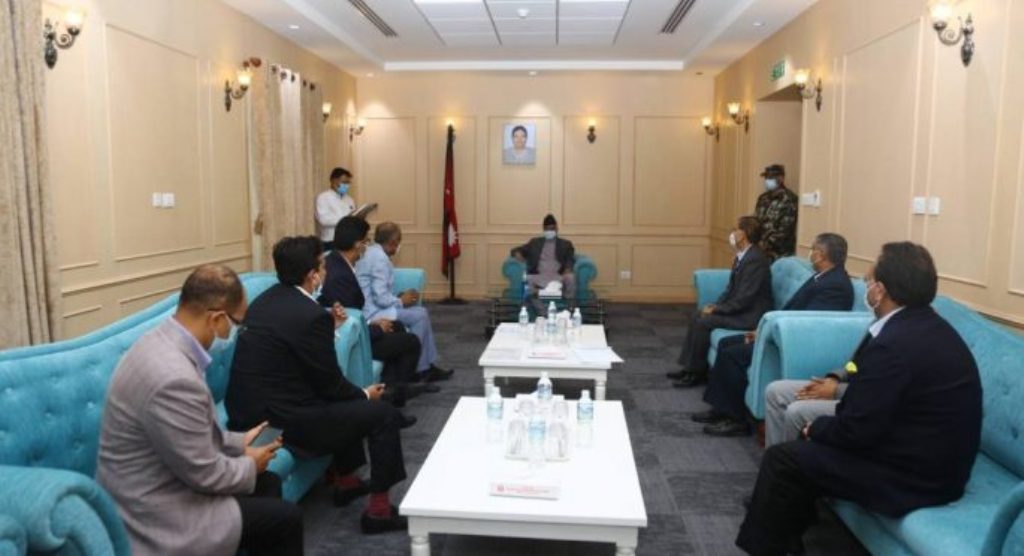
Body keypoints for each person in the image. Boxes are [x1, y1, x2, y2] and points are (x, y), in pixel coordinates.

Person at [736, 242, 982, 556]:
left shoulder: (894, 345)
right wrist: (836, 384)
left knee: (783, 459)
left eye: (868, 280)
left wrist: (815, 428)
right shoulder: (923, 325)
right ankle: (788, 529)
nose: (865, 286)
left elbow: (857, 430)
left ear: (881, 291)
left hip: (915, 478)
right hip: (927, 457)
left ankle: (768, 545)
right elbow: (863, 382)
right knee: (801, 446)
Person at [97, 264, 302, 556]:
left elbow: (188, 435)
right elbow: (205, 474)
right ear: (216, 319)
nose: (236, 332)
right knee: (287, 519)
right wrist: (249, 463)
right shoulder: (173, 378)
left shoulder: (161, 340)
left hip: (163, 479)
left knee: (267, 483)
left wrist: (238, 442)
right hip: (155, 513)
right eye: (237, 324)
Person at [226, 236, 412, 534]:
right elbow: (330, 385)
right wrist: (365, 394)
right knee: (382, 413)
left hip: (250, 412)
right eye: (323, 267)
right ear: (312, 275)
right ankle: (378, 513)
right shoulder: (310, 315)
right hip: (281, 420)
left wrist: (327, 328)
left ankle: (346, 482)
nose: (325, 272)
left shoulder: (265, 301)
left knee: (346, 403)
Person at [695, 233, 854, 436]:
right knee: (727, 343)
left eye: (813, 249)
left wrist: (765, 334)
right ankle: (721, 409)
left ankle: (736, 420)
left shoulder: (835, 285)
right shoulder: (823, 276)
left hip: (790, 343)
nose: (811, 254)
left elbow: (807, 323)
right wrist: (761, 331)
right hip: (781, 332)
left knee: (732, 354)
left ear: (821, 254)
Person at [321, 217, 437, 403]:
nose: (367, 247)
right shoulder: (340, 276)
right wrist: (374, 326)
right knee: (411, 342)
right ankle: (396, 395)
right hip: (357, 338)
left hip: (362, 323)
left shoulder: (337, 261)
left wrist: (372, 322)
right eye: (366, 241)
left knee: (397, 327)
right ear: (358, 244)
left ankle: (390, 389)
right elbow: (347, 317)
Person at [670, 216, 772, 388]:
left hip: (749, 316)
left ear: (743, 234)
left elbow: (745, 298)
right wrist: (715, 306)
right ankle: (689, 367)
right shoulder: (743, 256)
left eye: (735, 229)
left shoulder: (755, 260)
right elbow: (731, 289)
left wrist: (718, 310)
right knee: (698, 315)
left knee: (704, 322)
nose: (732, 233)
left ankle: (697, 373)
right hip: (740, 310)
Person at [356, 221, 453, 382]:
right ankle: (420, 369)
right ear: (393, 242)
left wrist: (398, 297)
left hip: (374, 307)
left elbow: (379, 291)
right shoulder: (380, 259)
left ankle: (426, 366)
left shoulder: (373, 252)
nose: (398, 246)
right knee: (419, 316)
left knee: (420, 312)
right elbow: (380, 298)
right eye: (398, 242)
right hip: (373, 313)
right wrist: (401, 301)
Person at [511, 214, 577, 303]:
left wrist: (568, 268)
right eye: (547, 229)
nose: (550, 231)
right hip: (539, 275)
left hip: (558, 275)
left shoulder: (565, 244)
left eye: (552, 229)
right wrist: (517, 253)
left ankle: (569, 307)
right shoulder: (535, 242)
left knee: (570, 277)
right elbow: (517, 250)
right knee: (527, 282)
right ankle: (542, 310)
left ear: (556, 229)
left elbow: (570, 258)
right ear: (544, 229)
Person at [754, 164, 799, 261]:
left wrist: (765, 245)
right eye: (766, 177)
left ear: (781, 179)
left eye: (771, 178)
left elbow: (786, 230)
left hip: (780, 253)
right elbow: (755, 222)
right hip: (760, 251)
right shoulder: (763, 198)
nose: (767, 180)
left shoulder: (789, 199)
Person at [316, 167, 356, 251]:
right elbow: (324, 220)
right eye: (344, 182)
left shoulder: (349, 199)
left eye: (348, 183)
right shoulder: (323, 197)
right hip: (331, 241)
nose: (346, 185)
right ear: (333, 181)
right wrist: (346, 219)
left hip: (348, 240)